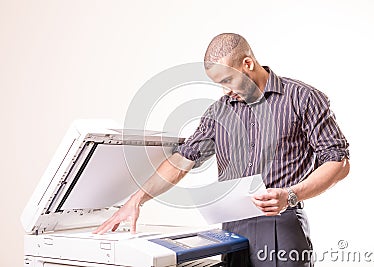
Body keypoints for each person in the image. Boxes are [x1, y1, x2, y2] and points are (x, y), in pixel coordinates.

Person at [94, 33, 350, 267]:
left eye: (228, 80)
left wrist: (290, 195)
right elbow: (182, 159)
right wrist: (135, 200)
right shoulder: (219, 111)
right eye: (219, 84)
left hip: (281, 224)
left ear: (248, 64)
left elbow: (338, 162)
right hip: (233, 231)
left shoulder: (303, 98)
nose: (225, 90)